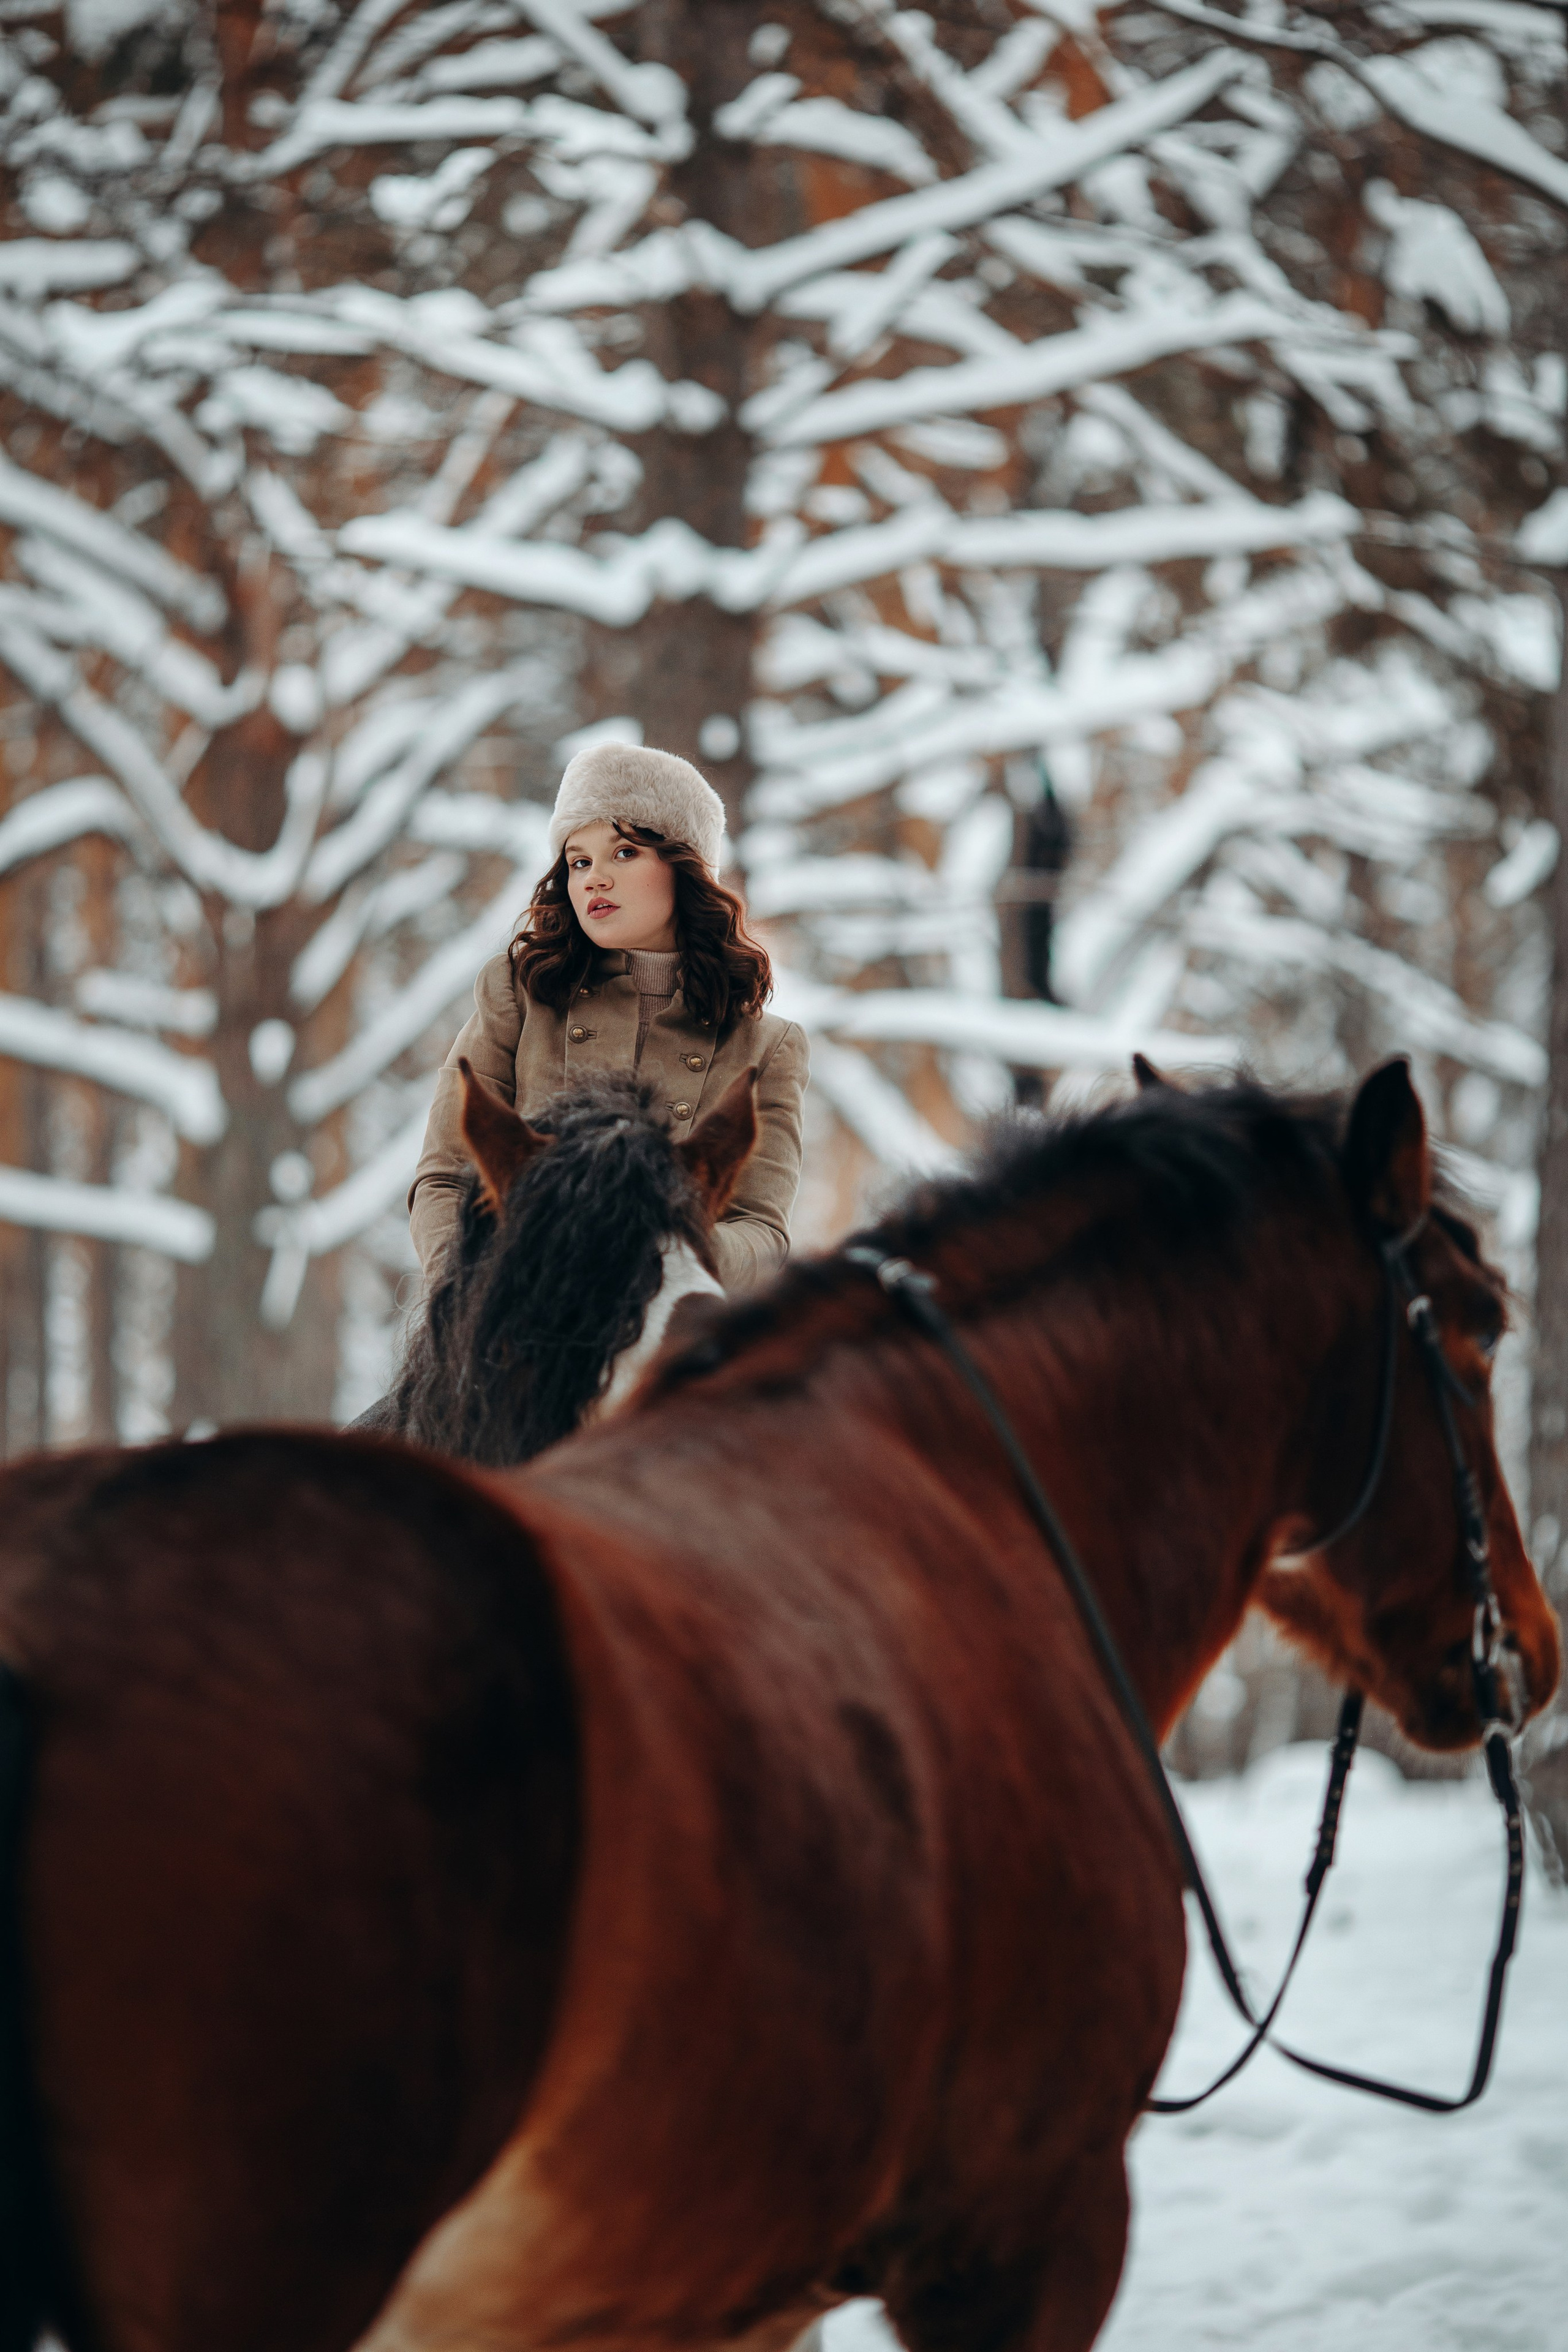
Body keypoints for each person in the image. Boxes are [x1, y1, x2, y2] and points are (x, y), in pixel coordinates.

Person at [409, 740, 809, 1293]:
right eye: (579, 862)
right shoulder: (517, 995)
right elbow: (444, 1177)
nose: (594, 878)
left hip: (669, 1327)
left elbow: (761, 1233)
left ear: (685, 867)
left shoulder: (768, 1047)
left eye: (624, 853)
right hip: (516, 1314)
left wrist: (664, 1253)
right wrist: (476, 1294)